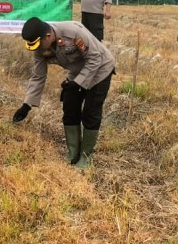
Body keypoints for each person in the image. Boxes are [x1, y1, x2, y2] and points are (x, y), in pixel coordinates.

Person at [12, 17, 116, 169]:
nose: (38, 50)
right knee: (69, 108)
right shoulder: (40, 47)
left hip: (101, 69)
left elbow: (94, 59)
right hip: (77, 72)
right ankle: (73, 153)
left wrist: (78, 83)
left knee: (90, 112)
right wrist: (27, 105)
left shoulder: (73, 32)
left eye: (39, 45)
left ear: (48, 36)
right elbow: (38, 76)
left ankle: (86, 157)